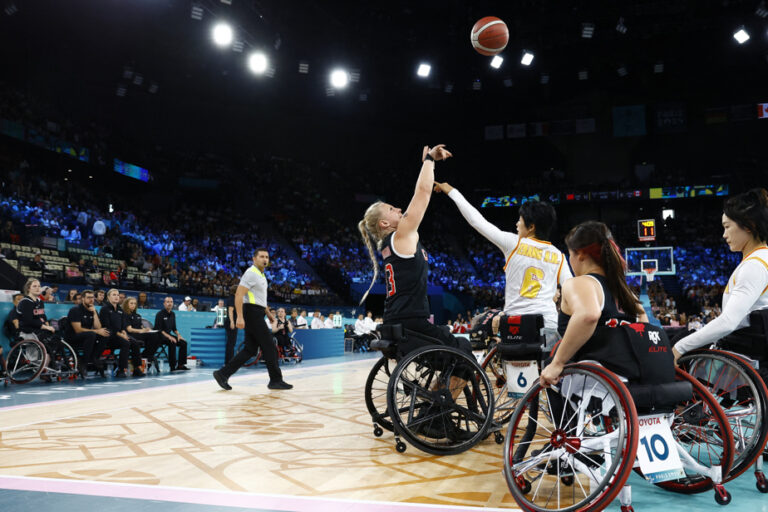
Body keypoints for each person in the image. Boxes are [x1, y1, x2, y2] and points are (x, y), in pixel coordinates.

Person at [357, 144, 472, 358]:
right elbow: (423, 192)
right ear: (384, 223)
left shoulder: (390, 245)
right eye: (392, 209)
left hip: (395, 318)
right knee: (464, 351)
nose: (399, 209)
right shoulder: (401, 235)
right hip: (412, 321)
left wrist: (425, 168)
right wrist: (430, 160)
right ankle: (451, 390)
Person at [434, 182, 571, 346]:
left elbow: (477, 221)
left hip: (517, 324)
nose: (516, 224)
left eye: (519, 220)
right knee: (548, 369)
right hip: (549, 324)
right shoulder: (558, 255)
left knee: (515, 366)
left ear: (531, 226)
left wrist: (452, 191)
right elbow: (570, 290)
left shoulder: (514, 244)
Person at [539, 221, 649, 387]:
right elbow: (643, 324)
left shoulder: (581, 283)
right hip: (634, 375)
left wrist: (557, 363)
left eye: (570, 254)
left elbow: (588, 315)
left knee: (549, 365)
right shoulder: (624, 289)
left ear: (581, 254)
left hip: (597, 378)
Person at [673, 189, 768, 363]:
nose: (724, 235)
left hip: (744, 352)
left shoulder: (754, 265)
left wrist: (679, 348)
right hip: (748, 347)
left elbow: (728, 322)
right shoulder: (761, 259)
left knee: (677, 341)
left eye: (727, 227)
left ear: (748, 226)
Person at [213, 248, 292, 391]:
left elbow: (259, 299)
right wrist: (240, 317)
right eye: (262, 256)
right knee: (269, 347)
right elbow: (238, 295)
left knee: (250, 350)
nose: (265, 259)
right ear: (254, 259)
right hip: (251, 313)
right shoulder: (250, 273)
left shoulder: (261, 275)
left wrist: (267, 313)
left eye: (267, 257)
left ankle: (223, 374)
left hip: (257, 312)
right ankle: (275, 380)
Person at [99, 288, 144, 378]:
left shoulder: (120, 310)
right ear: (108, 297)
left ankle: (137, 368)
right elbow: (107, 326)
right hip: (109, 336)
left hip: (120, 335)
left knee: (135, 342)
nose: (116, 297)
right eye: (114, 295)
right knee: (126, 343)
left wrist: (124, 333)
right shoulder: (105, 309)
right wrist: (121, 335)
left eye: (117, 295)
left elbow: (123, 326)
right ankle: (121, 369)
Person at [66, 289, 109, 377]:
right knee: (92, 334)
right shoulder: (75, 310)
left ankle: (94, 358)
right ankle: (84, 363)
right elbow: (78, 329)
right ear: (82, 299)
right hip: (72, 337)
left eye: (92, 297)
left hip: (87, 336)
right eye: (88, 297)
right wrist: (96, 331)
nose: (91, 300)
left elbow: (98, 327)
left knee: (105, 334)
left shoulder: (92, 310)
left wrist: (94, 313)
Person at [123, 297, 165, 372]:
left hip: (140, 334)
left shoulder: (138, 315)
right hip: (131, 334)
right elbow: (129, 329)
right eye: (131, 303)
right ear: (127, 304)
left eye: (135, 303)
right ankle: (147, 355)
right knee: (153, 336)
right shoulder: (126, 315)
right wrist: (142, 330)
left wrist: (146, 329)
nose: (133, 305)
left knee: (159, 335)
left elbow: (141, 326)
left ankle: (147, 355)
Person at [154, 297, 190, 371]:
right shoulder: (160, 314)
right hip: (159, 336)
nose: (169, 303)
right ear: (164, 303)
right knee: (172, 342)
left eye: (171, 302)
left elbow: (174, 328)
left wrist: (179, 335)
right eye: (167, 302)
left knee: (183, 343)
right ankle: (172, 366)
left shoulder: (173, 314)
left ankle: (180, 365)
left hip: (168, 335)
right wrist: (169, 337)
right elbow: (159, 329)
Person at [224, 285, 238, 364]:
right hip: (231, 322)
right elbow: (230, 310)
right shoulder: (232, 298)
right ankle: (229, 362)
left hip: (233, 321)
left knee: (232, 343)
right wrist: (232, 322)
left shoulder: (234, 298)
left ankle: (229, 361)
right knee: (231, 343)